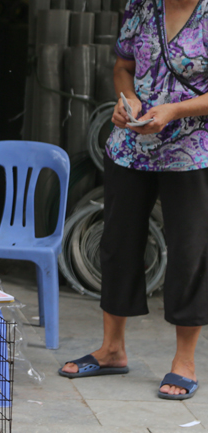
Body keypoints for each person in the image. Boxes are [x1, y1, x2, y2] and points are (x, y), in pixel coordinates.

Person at [59, 0, 208, 400]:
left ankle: (184, 362)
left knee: (189, 253)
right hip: (131, 147)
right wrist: (127, 101)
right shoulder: (141, 7)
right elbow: (123, 67)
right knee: (117, 244)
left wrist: (175, 110)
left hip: (193, 151)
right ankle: (111, 350)